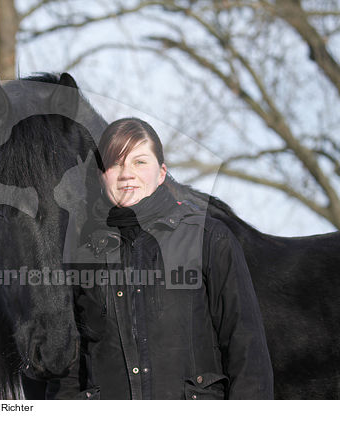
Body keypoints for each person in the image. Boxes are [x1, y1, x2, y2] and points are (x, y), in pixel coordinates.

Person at [46, 117, 274, 400]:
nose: (127, 174)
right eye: (115, 163)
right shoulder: (81, 255)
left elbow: (246, 348)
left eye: (140, 162)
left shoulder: (208, 238)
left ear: (162, 172)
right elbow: (68, 370)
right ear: (101, 175)